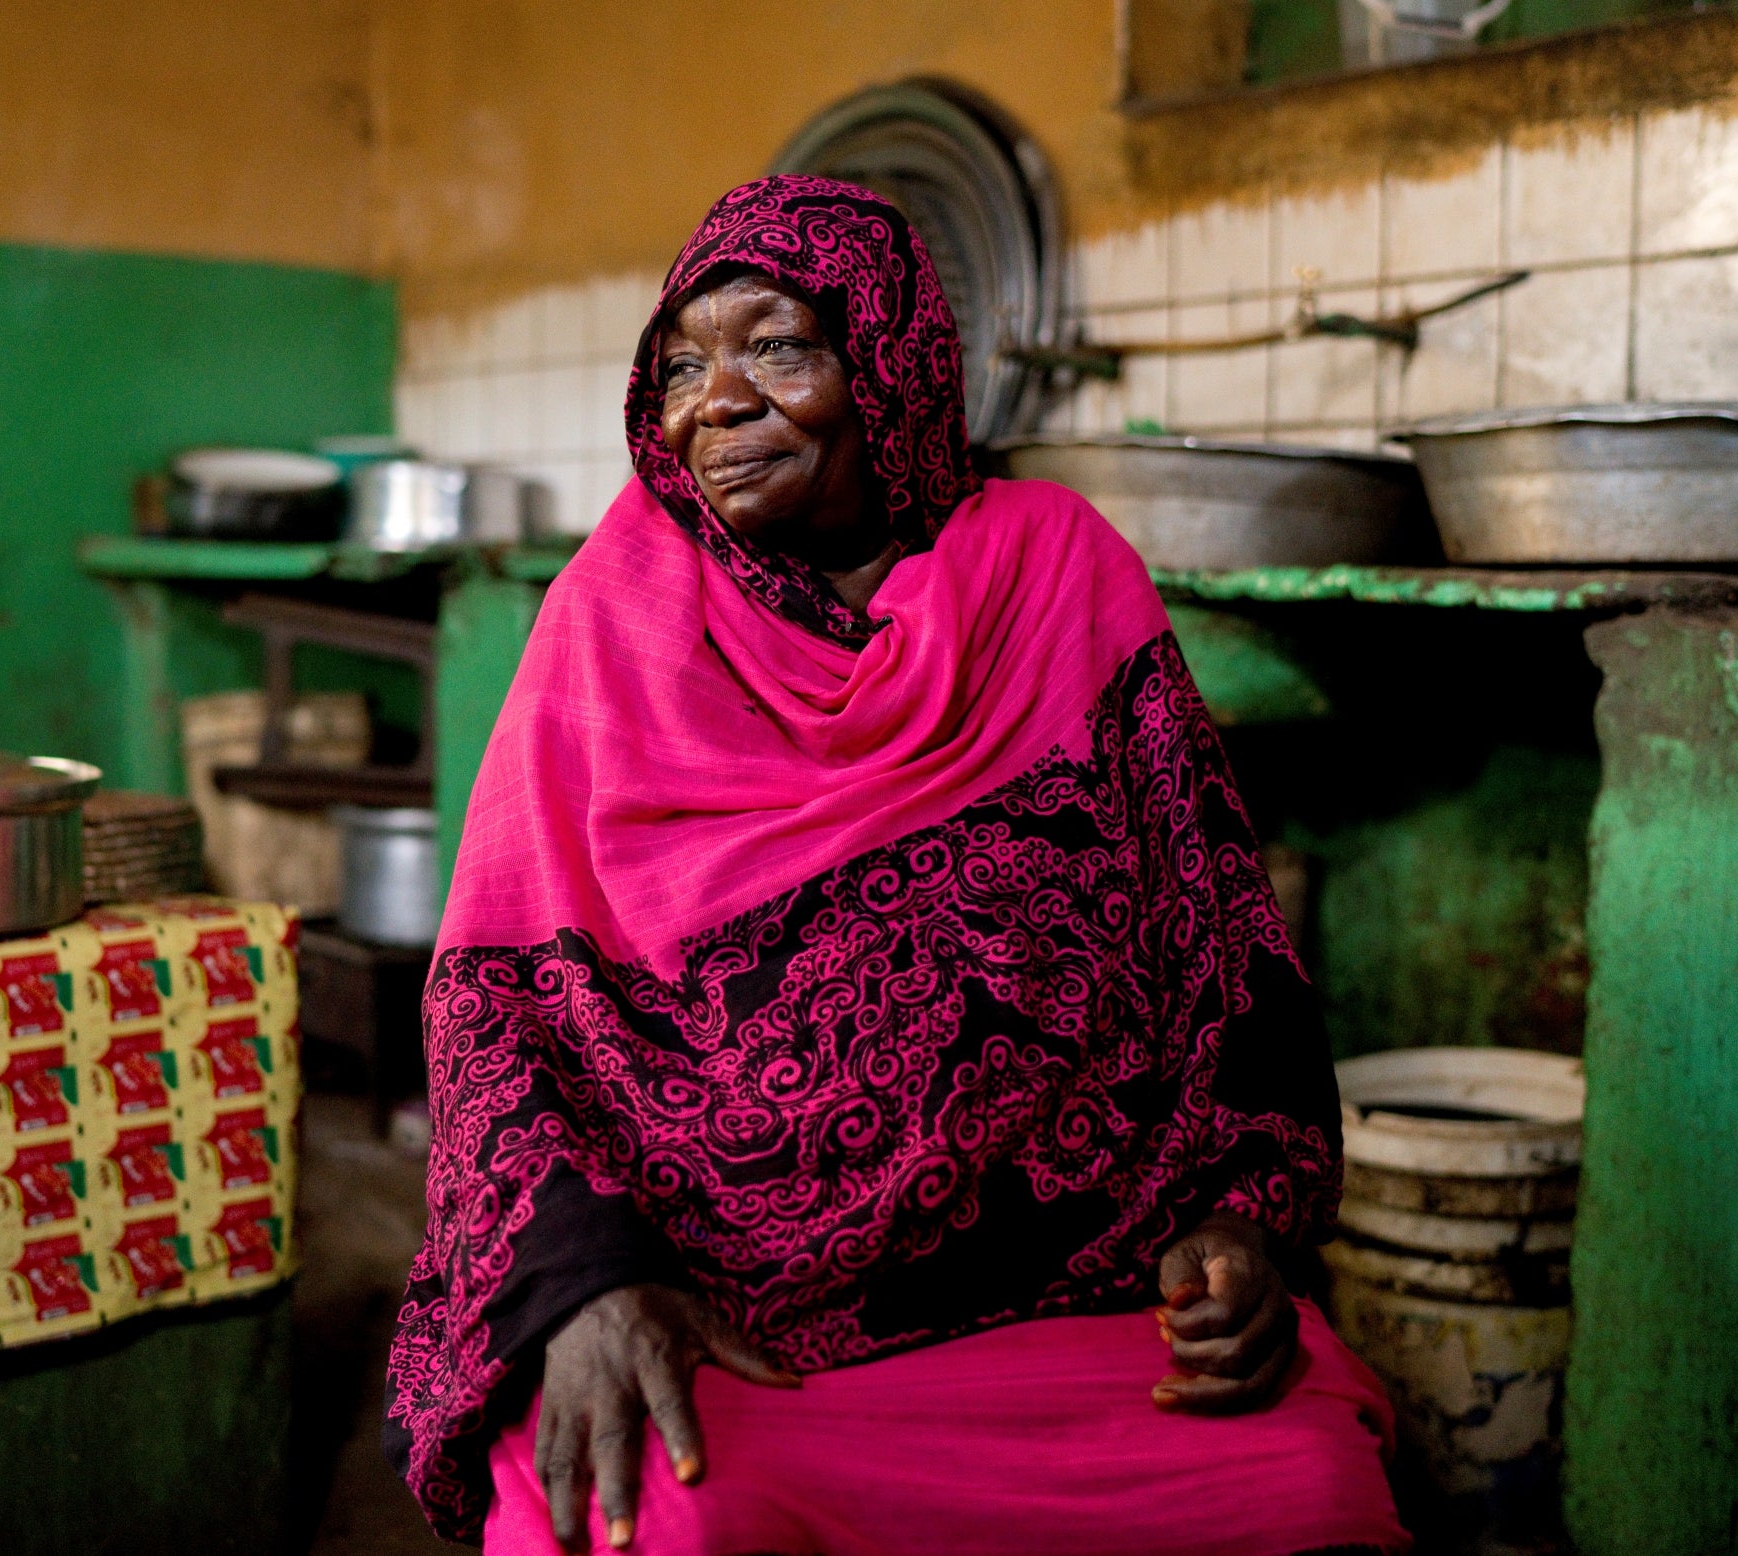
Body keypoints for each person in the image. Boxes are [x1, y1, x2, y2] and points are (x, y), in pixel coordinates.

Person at [384, 176, 1407, 1556]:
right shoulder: (609, 621)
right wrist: (581, 1284)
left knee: (1306, 1490)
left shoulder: (1055, 567)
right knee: (670, 1518)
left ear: (892, 367)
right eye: (683, 364)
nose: (718, 400)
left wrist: (1237, 1221)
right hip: (733, 1313)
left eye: (780, 347)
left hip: (1079, 1291)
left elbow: (1221, 940)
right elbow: (494, 1001)